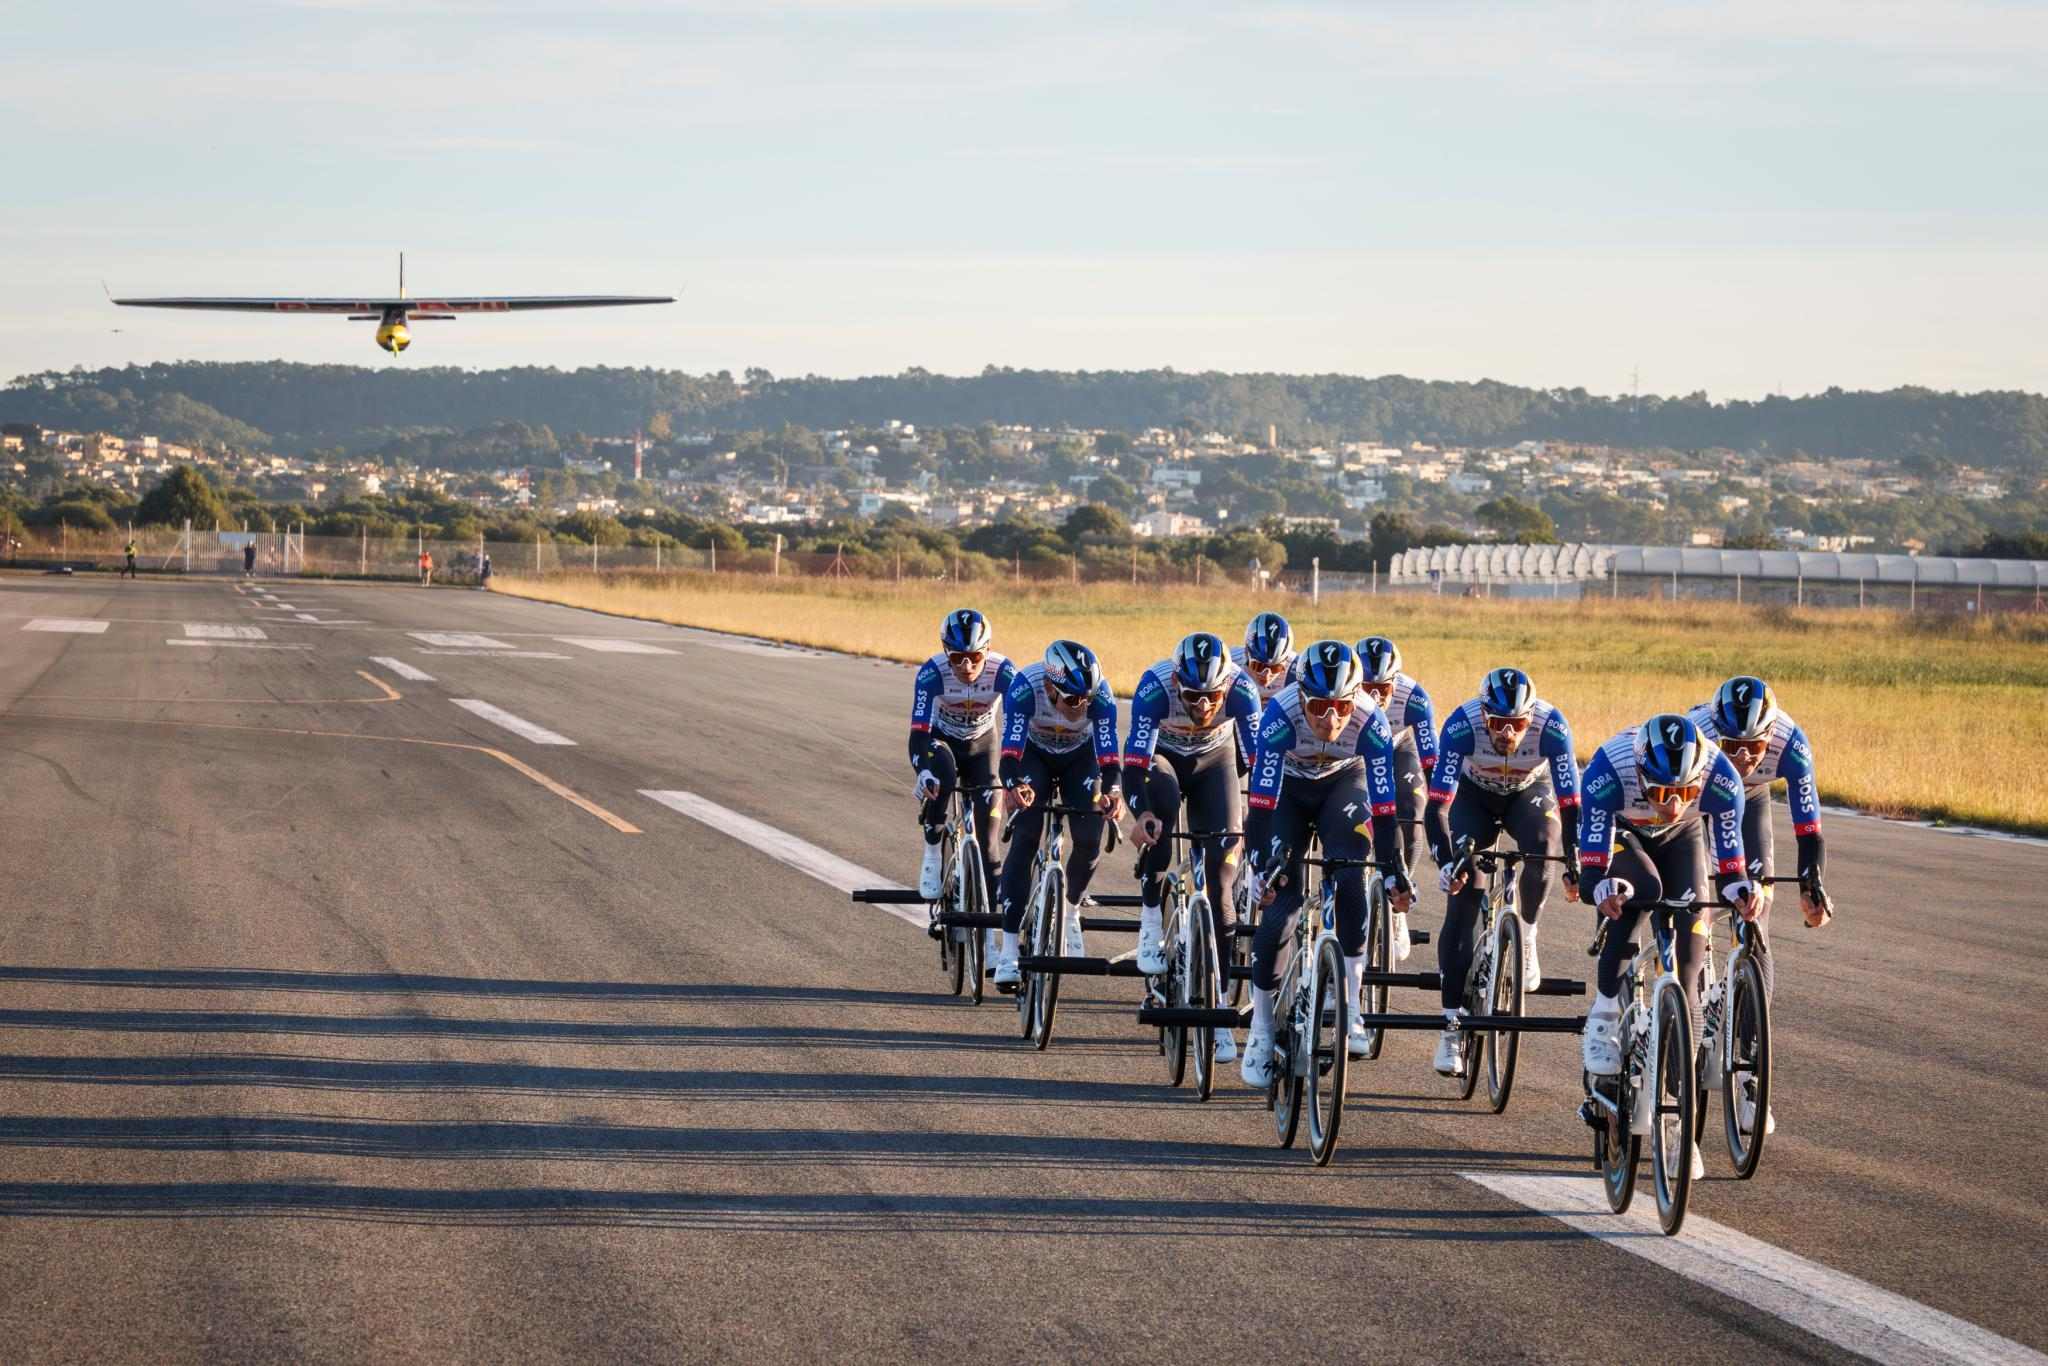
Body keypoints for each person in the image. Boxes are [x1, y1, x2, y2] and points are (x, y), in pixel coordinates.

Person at [1577, 712, 1760, 1176]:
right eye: (1660, 793)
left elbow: (1731, 861)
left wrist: (1740, 890)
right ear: (1641, 774)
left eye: (1683, 793)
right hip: (1624, 838)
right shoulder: (1607, 771)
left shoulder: (1721, 778)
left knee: (1691, 967)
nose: (1672, 803)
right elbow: (1590, 868)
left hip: (1684, 843)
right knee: (1638, 896)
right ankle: (1603, 1018)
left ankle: (1678, 1123)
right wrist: (1602, 888)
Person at [1239, 640, 1415, 1084]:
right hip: (1288, 795)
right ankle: (1260, 1030)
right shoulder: (1279, 715)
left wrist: (1394, 870)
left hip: (1344, 785)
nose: (1330, 717)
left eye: (1340, 706)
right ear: (1300, 697)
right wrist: (1262, 867)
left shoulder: (1371, 721)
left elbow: (1386, 810)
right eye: (1318, 706)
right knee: (1281, 905)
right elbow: (1260, 805)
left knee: (1353, 873)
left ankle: (1352, 1007)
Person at [1689, 676, 1833, 1138]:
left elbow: (1809, 830)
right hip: (1695, 805)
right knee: (1694, 908)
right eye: (1733, 743)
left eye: (1755, 744)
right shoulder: (1698, 735)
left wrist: (1812, 886)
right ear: (1716, 732)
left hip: (1749, 805)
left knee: (1755, 922)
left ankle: (1751, 1077)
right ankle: (1684, 1010)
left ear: (1771, 734)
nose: (1745, 755)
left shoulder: (1793, 743)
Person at [1422, 667, 1580, 1076]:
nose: (1508, 734)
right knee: (1463, 900)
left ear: (1530, 719)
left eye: (1517, 725)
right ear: (1484, 716)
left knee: (1545, 845)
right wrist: (1446, 860)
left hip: (1529, 793)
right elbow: (1436, 805)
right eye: (1498, 724)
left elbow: (1570, 805)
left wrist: (1576, 860)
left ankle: (1526, 937)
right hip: (1473, 798)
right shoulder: (1461, 725)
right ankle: (1451, 1028)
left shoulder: (1552, 726)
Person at [1124, 631, 1261, 1062]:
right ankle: (1151, 920)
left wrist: (1259, 818)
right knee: (1160, 817)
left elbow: (1260, 764)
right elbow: (1133, 761)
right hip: (1162, 759)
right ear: (1177, 682)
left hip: (1215, 762)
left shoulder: (1242, 688)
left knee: (1222, 884)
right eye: (1192, 696)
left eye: (1212, 698)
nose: (1203, 706)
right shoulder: (1153, 686)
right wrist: (1140, 814)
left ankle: (1218, 1007)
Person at [992, 640, 1123, 987]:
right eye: (1073, 700)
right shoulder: (1025, 687)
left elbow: (1110, 759)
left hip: (1080, 759)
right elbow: (1009, 753)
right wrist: (1014, 785)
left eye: (1087, 700)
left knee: (1089, 839)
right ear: (1050, 687)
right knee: (1025, 840)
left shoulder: (1101, 696)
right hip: (1032, 755)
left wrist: (1112, 792)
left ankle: (1071, 911)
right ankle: (1008, 951)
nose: (1082, 708)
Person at [909, 610, 1016, 968]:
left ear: (987, 652)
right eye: (957, 657)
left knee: (988, 841)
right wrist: (922, 770)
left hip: (984, 744)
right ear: (945, 652)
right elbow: (919, 731)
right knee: (941, 776)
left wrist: (1018, 775)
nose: (967, 665)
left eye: (975, 657)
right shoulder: (931, 673)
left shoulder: (1004, 672)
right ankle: (932, 852)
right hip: (942, 743)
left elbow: (1020, 724)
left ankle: (988, 940)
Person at [1354, 634, 1437, 958]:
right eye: (1366, 688)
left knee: (1412, 809)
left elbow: (1432, 763)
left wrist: (1442, 804)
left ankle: (1401, 889)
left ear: (1396, 682)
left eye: (1383, 689)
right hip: (1354, 751)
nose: (1375, 696)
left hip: (1397, 747)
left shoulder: (1415, 697)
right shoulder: (1344, 697)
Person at [1231, 611, 1298, 706]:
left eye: (1276, 668)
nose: (1266, 675)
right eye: (1258, 666)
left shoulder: (1296, 671)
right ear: (1246, 652)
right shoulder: (1231, 662)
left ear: (1286, 660)